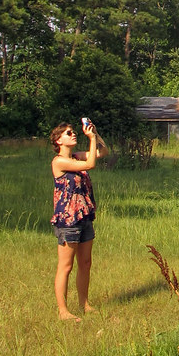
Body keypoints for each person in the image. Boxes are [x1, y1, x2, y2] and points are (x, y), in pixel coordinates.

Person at [50, 119, 109, 321]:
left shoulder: (75, 157)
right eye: (68, 133)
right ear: (58, 140)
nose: (72, 134)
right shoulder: (59, 162)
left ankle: (84, 304)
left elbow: (102, 153)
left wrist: (94, 133)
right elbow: (91, 164)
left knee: (85, 262)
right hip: (68, 220)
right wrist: (90, 139)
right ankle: (63, 311)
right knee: (65, 266)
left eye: (73, 132)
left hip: (84, 216)